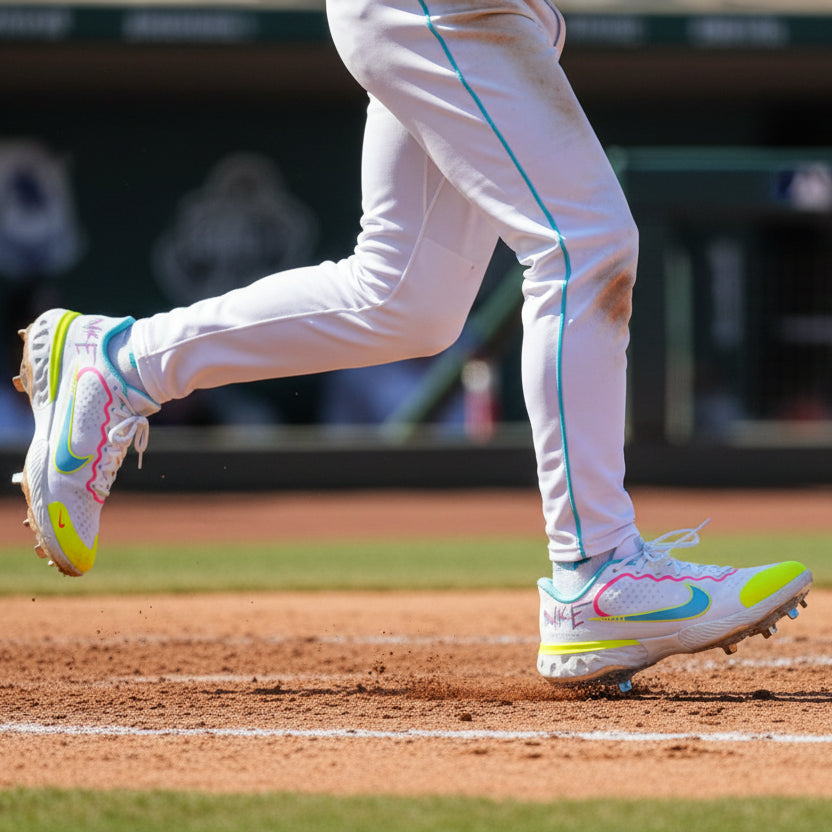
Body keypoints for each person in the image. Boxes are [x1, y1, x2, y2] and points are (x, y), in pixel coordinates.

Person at [11, 0, 811, 692]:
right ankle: (598, 572)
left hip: (475, 16)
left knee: (405, 301)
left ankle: (120, 362)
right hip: (449, 9)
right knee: (587, 245)